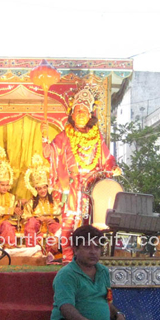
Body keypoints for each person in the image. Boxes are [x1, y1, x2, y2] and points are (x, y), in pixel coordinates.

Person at [42, 84, 121, 263]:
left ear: (90, 115)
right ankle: (68, 259)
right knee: (68, 224)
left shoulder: (97, 137)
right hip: (71, 186)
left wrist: (112, 168)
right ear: (72, 113)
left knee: (89, 224)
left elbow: (106, 159)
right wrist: (44, 138)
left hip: (91, 186)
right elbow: (49, 153)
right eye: (77, 111)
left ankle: (88, 259)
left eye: (84, 112)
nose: (80, 115)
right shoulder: (64, 136)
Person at [22, 154, 62, 256]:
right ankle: (33, 252)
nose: (43, 190)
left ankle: (50, 254)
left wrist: (53, 220)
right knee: (31, 222)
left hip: (50, 227)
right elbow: (25, 217)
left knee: (58, 227)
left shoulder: (54, 202)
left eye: (44, 187)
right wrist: (37, 219)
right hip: (37, 228)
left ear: (47, 187)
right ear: (35, 190)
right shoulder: (30, 203)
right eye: (40, 188)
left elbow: (60, 216)